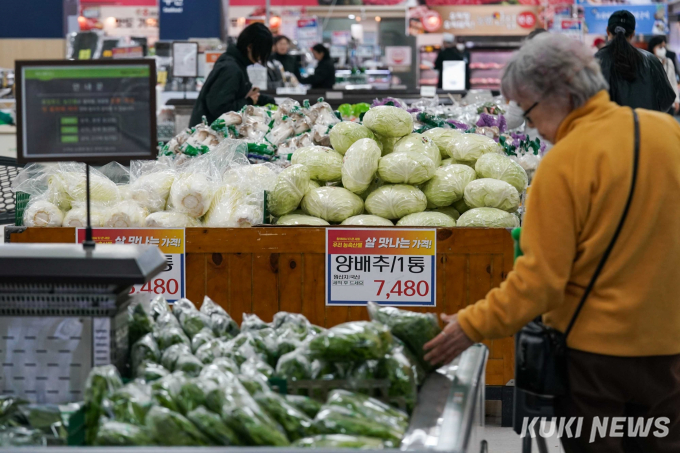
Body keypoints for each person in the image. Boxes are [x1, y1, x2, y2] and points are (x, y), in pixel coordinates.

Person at [424, 33, 680, 453]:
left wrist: (470, 326)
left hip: (596, 361)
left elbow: (540, 281)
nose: (533, 127)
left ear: (554, 97)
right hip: (669, 350)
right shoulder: (666, 132)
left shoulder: (564, 162)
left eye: (527, 112)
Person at [190, 23, 275, 126]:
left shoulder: (235, 64)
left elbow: (233, 96)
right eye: (261, 51)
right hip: (209, 135)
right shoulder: (231, 69)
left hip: (212, 132)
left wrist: (263, 99)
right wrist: (249, 101)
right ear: (250, 47)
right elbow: (220, 108)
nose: (261, 58)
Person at [595, 10, 675, 112]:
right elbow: (666, 98)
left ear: (607, 31)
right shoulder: (650, 60)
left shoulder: (593, 62)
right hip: (644, 125)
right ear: (633, 34)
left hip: (606, 126)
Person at [648, 35, 679, 114]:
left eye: (664, 47)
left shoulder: (669, 62)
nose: (663, 50)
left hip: (668, 103)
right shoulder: (647, 61)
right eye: (660, 47)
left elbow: (673, 82)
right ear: (653, 47)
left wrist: (676, 100)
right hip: (652, 103)